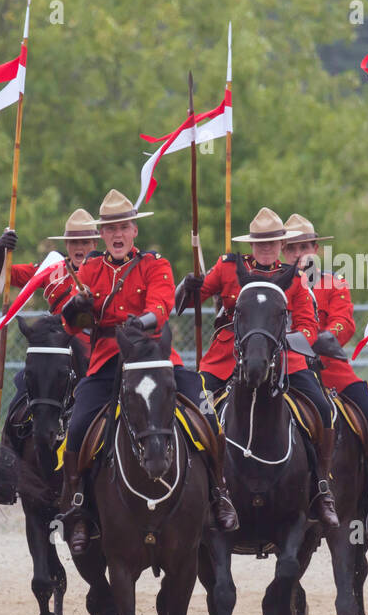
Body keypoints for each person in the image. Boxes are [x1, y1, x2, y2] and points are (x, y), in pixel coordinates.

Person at [56, 190, 238, 555]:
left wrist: (139, 323)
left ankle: (219, 491)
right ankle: (77, 506)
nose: (117, 234)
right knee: (76, 427)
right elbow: (72, 326)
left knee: (206, 411)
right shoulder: (89, 269)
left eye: (123, 226)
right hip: (108, 358)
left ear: (134, 230)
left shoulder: (155, 264)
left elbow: (162, 303)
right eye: (110, 229)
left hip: (154, 356)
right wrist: (76, 306)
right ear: (103, 235)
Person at [176, 206, 339, 527]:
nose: (266, 248)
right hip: (227, 357)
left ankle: (322, 486)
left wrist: (286, 342)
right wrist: (190, 286)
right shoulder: (227, 268)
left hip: (283, 358)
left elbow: (307, 325)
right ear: (251, 245)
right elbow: (192, 300)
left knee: (322, 409)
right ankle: (204, 487)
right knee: (195, 410)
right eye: (260, 243)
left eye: (272, 242)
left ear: (281, 243)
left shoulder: (294, 278)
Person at [281, 214, 368, 537]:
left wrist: (318, 341)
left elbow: (344, 323)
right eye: (292, 248)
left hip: (329, 368)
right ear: (283, 252)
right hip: (283, 367)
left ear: (318, 249)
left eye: (306, 246)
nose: (301, 254)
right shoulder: (274, 282)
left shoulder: (334, 283)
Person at [0, 207, 101, 407]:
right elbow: (5, 277)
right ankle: (13, 434)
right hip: (56, 352)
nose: (79, 247)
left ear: (95, 243)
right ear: (66, 244)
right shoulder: (52, 269)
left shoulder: (105, 270)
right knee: (23, 392)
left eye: (85, 242)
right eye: (74, 242)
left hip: (95, 351)